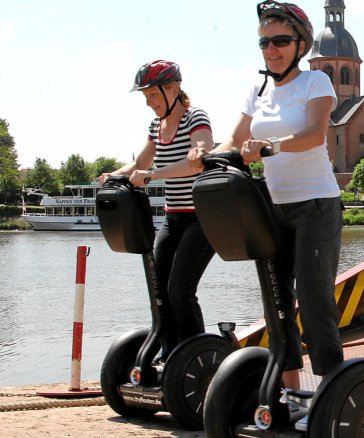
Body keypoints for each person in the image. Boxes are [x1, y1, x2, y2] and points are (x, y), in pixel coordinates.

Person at [189, 2, 342, 428]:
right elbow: (234, 141)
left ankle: (331, 390)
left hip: (316, 204)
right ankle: (292, 392)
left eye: (279, 40)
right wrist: (207, 153)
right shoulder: (257, 91)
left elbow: (314, 134)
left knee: (313, 300)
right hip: (272, 207)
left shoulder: (316, 81)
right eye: (264, 42)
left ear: (299, 44)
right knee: (277, 303)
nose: (270, 49)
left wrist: (269, 148)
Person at [99, 59, 216, 355]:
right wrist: (115, 175)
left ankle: (194, 357)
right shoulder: (156, 125)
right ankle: (170, 355)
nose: (149, 103)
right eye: (146, 96)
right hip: (172, 219)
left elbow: (200, 157)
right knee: (159, 292)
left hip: (202, 220)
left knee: (180, 291)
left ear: (173, 89)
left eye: (153, 95)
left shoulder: (195, 118)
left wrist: (153, 175)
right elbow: (139, 163)